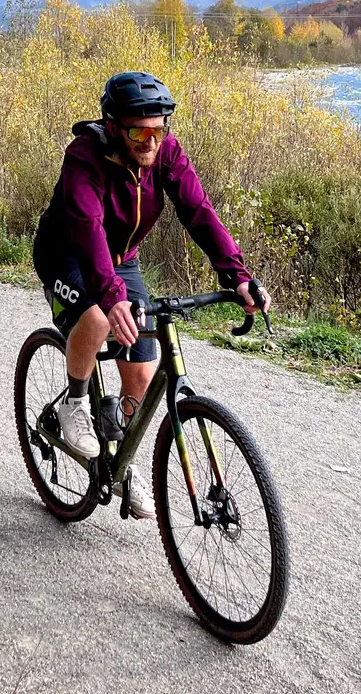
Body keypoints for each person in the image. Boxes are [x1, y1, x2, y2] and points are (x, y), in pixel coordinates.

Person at [32, 70, 271, 519]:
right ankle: (75, 403)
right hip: (66, 254)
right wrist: (111, 296)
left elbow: (199, 212)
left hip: (120, 258)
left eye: (160, 128)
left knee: (141, 369)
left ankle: (119, 457)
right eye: (139, 130)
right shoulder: (84, 156)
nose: (151, 139)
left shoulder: (166, 154)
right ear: (113, 125)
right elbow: (87, 229)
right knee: (100, 318)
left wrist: (237, 276)